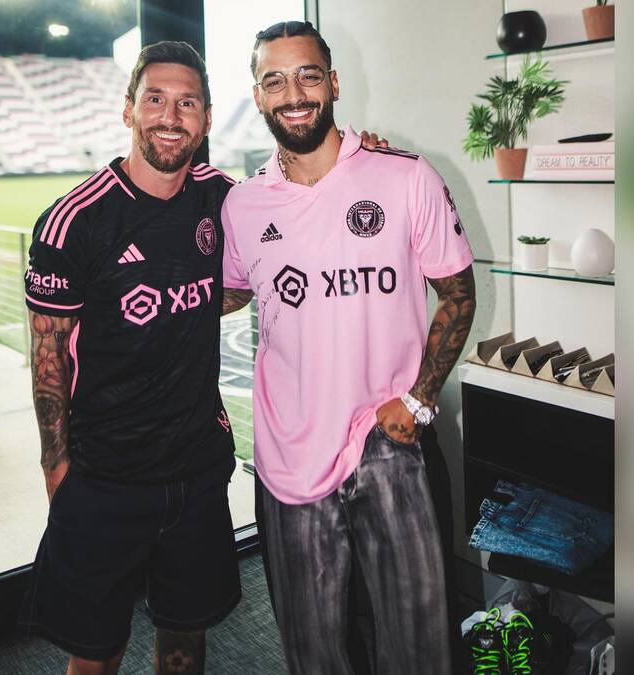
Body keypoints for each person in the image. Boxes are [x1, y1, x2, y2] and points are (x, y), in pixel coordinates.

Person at [19, 40, 388, 675]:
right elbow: (48, 355)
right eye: (155, 100)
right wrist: (56, 467)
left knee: (185, 640)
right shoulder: (74, 221)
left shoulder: (224, 198)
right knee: (95, 655)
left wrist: (363, 165)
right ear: (128, 109)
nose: (170, 116)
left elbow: (287, 215)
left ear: (208, 118)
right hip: (106, 476)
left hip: (196, 470)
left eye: (187, 103)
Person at [220, 21, 477, 675]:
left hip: (389, 447)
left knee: (418, 649)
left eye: (308, 75)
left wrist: (419, 399)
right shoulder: (242, 206)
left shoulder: (405, 177)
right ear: (258, 94)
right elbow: (228, 293)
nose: (293, 94)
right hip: (290, 457)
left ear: (333, 83)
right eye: (275, 80)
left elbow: (458, 293)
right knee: (314, 651)